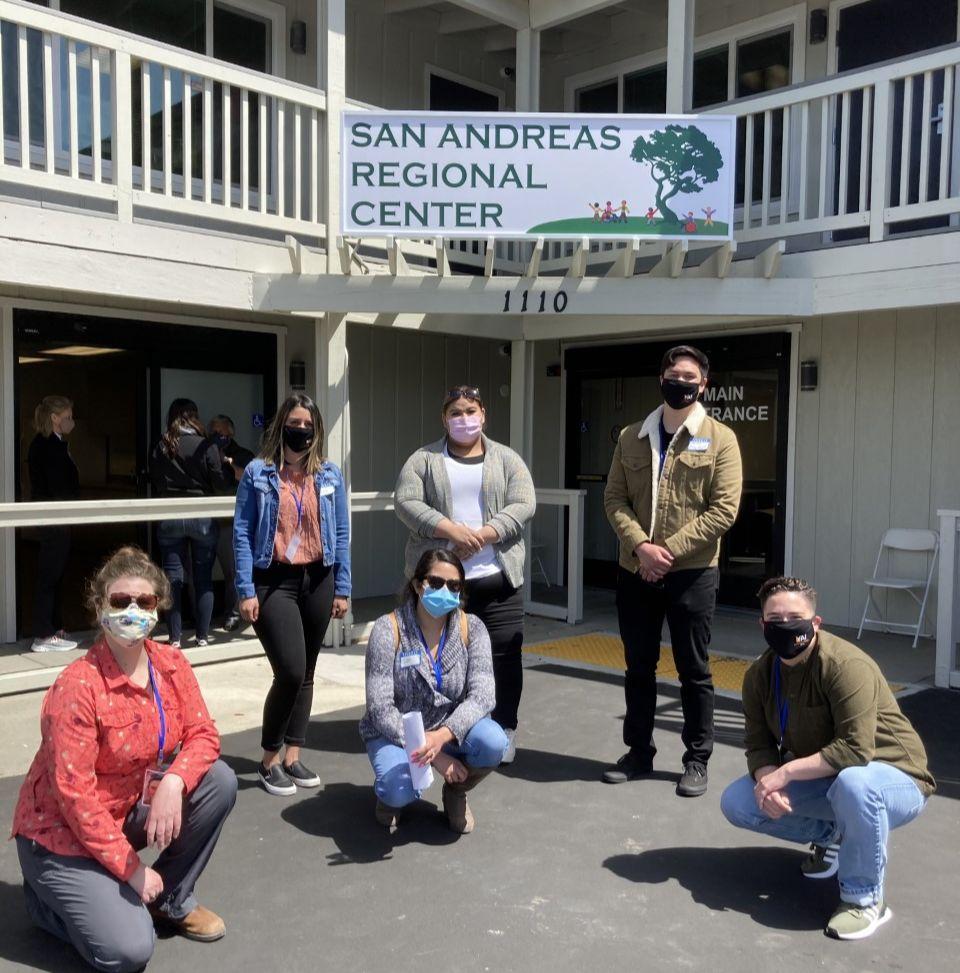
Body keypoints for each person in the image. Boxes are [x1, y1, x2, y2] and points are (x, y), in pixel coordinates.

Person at [11, 545, 237, 971]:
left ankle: (168, 899)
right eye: (120, 601)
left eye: (145, 601)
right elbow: (74, 798)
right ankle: (46, 902)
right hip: (62, 837)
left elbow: (203, 734)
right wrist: (133, 871)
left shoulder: (170, 664)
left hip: (126, 811)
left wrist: (174, 781)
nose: (133, 610)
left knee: (218, 781)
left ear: (158, 607)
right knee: (129, 951)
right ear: (100, 607)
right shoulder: (78, 686)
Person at [721, 577, 935, 941]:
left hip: (893, 777)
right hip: (828, 776)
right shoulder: (759, 675)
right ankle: (838, 836)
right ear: (762, 625)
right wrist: (768, 779)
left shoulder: (846, 665)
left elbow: (855, 750)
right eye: (775, 618)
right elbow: (758, 743)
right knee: (740, 801)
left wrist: (784, 773)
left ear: (815, 622)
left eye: (795, 616)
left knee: (856, 784)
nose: (785, 625)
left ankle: (864, 899)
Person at [603, 345, 742, 796]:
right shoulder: (631, 436)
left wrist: (667, 552)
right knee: (637, 666)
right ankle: (638, 753)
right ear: (661, 378)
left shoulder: (720, 439)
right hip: (636, 569)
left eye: (689, 376)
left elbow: (723, 511)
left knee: (694, 670)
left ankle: (696, 760)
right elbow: (614, 500)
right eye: (672, 373)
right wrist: (642, 547)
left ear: (703, 384)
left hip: (692, 573)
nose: (679, 381)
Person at [394, 385, 535, 764]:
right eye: (455, 412)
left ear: (483, 413)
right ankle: (430, 728)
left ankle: (503, 727)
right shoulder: (423, 459)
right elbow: (405, 502)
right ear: (444, 418)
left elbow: (524, 502)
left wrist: (485, 534)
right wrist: (449, 530)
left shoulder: (507, 459)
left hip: (497, 579)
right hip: (441, 586)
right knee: (433, 657)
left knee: (505, 656)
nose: (464, 418)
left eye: (470, 410)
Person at [233, 393, 351, 797]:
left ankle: (293, 755)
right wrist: (246, 589)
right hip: (274, 582)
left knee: (309, 672)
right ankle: (268, 759)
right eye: (294, 424)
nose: (301, 432)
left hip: (318, 579)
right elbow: (243, 534)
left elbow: (342, 534)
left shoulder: (330, 475)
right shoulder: (258, 473)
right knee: (291, 671)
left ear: (317, 431)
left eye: (308, 426)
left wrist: (343, 586)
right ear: (281, 424)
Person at [359, 549, 507, 834]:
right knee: (398, 789)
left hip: (448, 730)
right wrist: (433, 754)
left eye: (454, 586)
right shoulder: (387, 629)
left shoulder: (471, 628)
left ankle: (456, 790)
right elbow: (379, 707)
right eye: (436, 582)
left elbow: (484, 695)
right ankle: (390, 799)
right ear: (417, 585)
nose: (445, 591)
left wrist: (442, 737)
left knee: (494, 742)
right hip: (396, 732)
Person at [149, 399, 233, 648]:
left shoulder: (161, 445)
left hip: (170, 514)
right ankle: (203, 636)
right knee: (203, 578)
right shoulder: (205, 445)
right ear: (194, 416)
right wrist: (225, 467)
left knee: (173, 578)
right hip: (202, 515)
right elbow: (220, 483)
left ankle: (174, 638)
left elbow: (154, 477)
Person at [27, 394, 80, 652]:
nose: (72, 422)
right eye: (68, 417)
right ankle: (43, 633)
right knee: (49, 575)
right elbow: (58, 483)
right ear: (55, 418)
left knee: (57, 575)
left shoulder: (55, 444)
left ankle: (55, 627)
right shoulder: (46, 445)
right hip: (53, 517)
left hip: (60, 517)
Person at [207, 414, 255, 633]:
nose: (218, 436)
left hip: (231, 522)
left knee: (232, 573)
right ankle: (202, 617)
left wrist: (229, 463)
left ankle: (233, 615)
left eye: (222, 432)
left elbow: (248, 479)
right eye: (214, 432)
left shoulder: (243, 455)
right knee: (201, 573)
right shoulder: (206, 452)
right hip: (206, 520)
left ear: (231, 433)